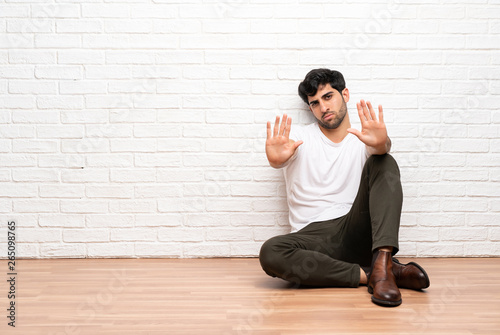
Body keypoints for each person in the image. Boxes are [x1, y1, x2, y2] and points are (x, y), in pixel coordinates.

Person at [259, 68, 429, 307]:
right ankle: (378, 273)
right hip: (313, 239)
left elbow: (380, 149)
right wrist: (276, 160)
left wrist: (383, 143)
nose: (323, 107)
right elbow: (280, 157)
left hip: (354, 229)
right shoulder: (297, 137)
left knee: (385, 160)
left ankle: (382, 259)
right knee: (271, 252)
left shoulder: (364, 137)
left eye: (328, 97)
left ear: (345, 94)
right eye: (315, 103)